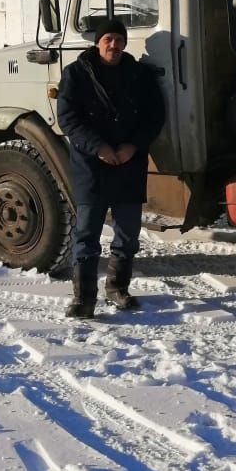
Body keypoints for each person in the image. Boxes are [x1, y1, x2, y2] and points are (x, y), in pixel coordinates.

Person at [56, 18, 165, 318]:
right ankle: (83, 297)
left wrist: (132, 146)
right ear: (97, 42)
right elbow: (68, 118)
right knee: (87, 233)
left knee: (128, 233)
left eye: (119, 39)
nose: (114, 45)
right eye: (108, 40)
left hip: (129, 164)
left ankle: (118, 287)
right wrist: (99, 148)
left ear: (125, 43)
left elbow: (154, 117)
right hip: (91, 165)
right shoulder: (76, 74)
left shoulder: (139, 75)